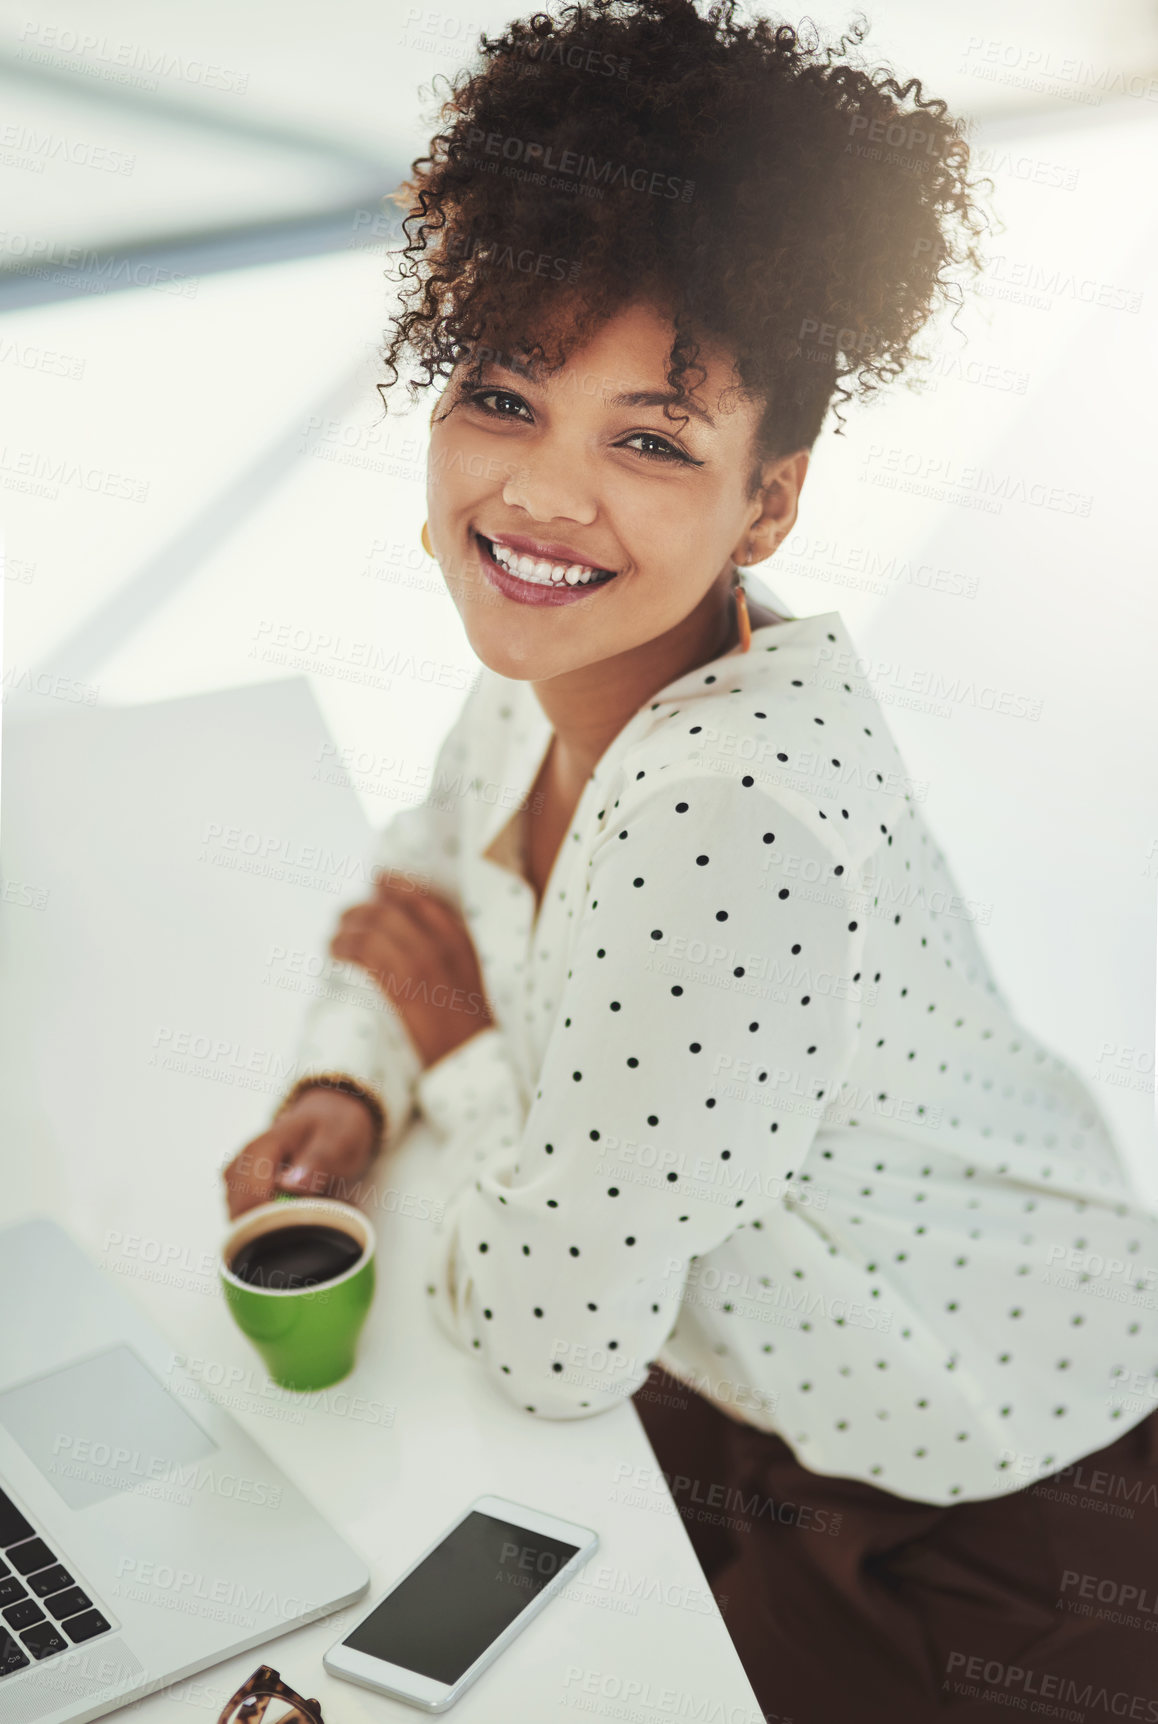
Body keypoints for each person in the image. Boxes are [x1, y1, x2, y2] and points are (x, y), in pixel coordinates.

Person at [223, 2, 1158, 1715]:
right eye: (503, 394)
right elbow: (416, 876)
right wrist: (353, 1085)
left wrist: (453, 1054)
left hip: (976, 1479)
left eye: (650, 438)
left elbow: (547, 1340)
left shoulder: (730, 814)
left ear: (769, 503)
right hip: (740, 1375)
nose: (545, 498)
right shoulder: (565, 669)